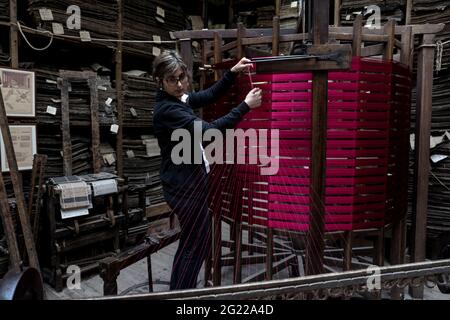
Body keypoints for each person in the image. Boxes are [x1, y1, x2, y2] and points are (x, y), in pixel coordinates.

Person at [152, 50, 262, 290]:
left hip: (186, 184)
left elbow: (208, 96)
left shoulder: (176, 99)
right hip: (184, 190)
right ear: (159, 82)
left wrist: (231, 73)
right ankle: (182, 297)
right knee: (195, 246)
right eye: (172, 79)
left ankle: (179, 292)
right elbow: (211, 132)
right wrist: (245, 106)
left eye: (182, 77)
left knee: (192, 244)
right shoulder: (168, 110)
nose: (180, 84)